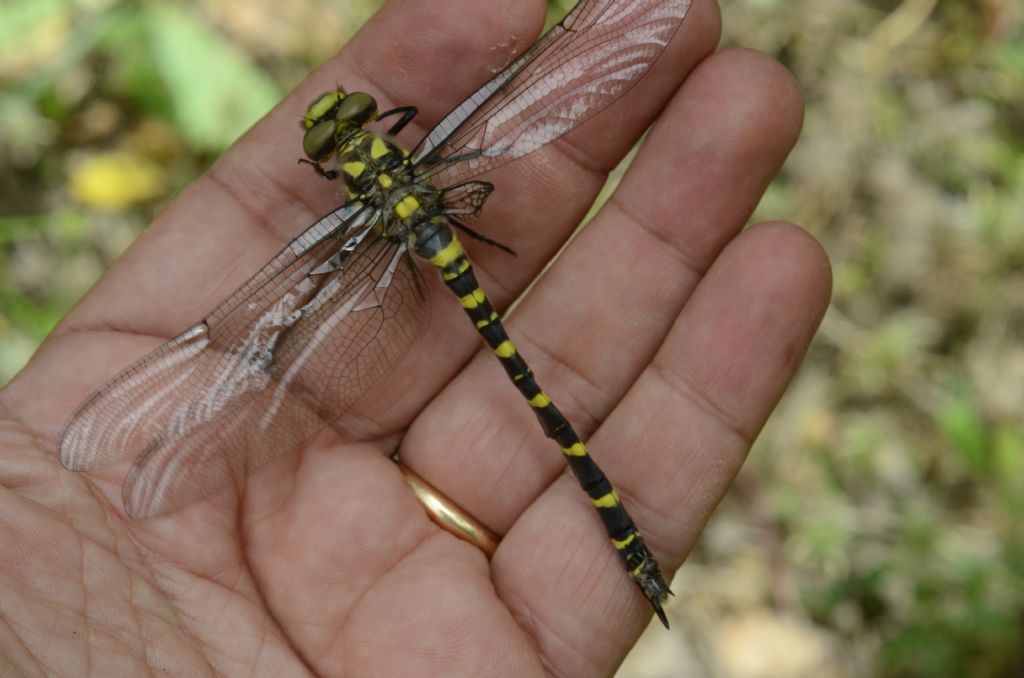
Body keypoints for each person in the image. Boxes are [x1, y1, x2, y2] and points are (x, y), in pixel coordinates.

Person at [0, 0, 829, 674]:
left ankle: (618, 528)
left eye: (343, 126)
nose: (343, 125)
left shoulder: (347, 215)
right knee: (526, 377)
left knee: (525, 375)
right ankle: (618, 526)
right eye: (341, 131)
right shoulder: (424, 155)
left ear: (338, 161)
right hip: (440, 230)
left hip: (404, 252)